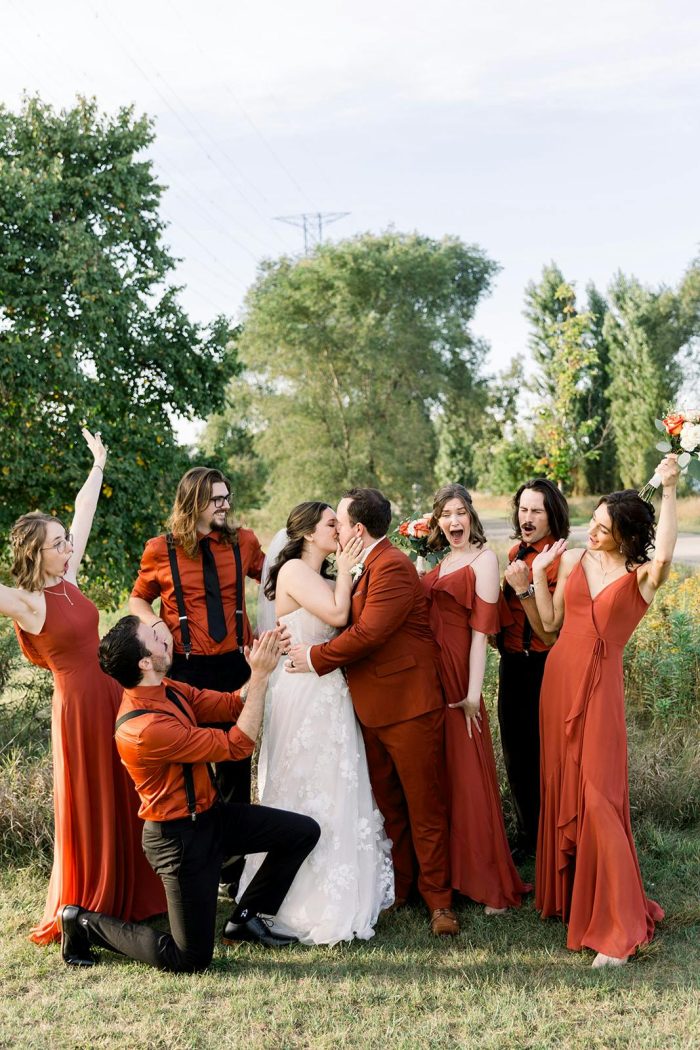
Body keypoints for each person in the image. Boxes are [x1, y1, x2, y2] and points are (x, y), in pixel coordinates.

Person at [57, 618, 320, 971]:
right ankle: (82, 922)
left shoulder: (169, 689)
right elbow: (237, 746)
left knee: (303, 832)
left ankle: (245, 918)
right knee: (191, 958)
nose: (165, 638)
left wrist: (263, 658)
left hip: (213, 818)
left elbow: (231, 705)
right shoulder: (145, 729)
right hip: (178, 840)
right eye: (155, 638)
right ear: (144, 663)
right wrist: (259, 676)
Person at [0, 429, 165, 945]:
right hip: (77, 706)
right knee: (91, 795)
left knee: (123, 789)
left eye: (65, 541)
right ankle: (91, 901)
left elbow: (83, 514)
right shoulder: (28, 602)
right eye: (58, 543)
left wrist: (97, 466)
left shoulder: (67, 578)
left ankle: (135, 892)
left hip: (112, 695)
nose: (68, 546)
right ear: (36, 553)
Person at [287, 488, 457, 936]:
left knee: (425, 808)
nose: (336, 530)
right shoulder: (363, 566)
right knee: (390, 808)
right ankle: (400, 890)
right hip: (369, 709)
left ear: (358, 530)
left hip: (409, 707)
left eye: (339, 524)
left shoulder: (394, 568)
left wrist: (315, 657)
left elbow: (368, 635)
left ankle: (440, 903)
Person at [532, 455, 680, 967]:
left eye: (603, 528)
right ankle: (573, 898)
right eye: (592, 523)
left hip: (601, 693)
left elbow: (664, 555)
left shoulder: (641, 576)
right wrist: (532, 577)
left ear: (625, 535)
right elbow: (548, 626)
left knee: (598, 798)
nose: (592, 532)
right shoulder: (574, 561)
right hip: (558, 681)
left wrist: (670, 490)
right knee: (564, 785)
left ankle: (618, 925)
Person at [238, 502, 395, 944]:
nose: (339, 530)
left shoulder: (322, 577)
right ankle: (290, 898)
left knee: (336, 785)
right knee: (302, 784)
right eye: (331, 524)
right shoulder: (292, 571)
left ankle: (340, 885)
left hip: (329, 690)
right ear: (308, 533)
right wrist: (346, 569)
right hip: (303, 693)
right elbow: (338, 616)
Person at [129, 466, 265, 895]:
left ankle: (233, 871)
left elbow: (276, 580)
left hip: (232, 665)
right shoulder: (160, 550)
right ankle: (194, 860)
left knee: (234, 768)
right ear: (193, 503)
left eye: (228, 497)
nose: (226, 505)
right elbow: (137, 598)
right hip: (185, 670)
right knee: (190, 768)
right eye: (217, 499)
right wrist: (155, 624)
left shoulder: (244, 543)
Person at [421, 484, 530, 913]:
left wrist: (472, 695)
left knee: (467, 775)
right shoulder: (442, 560)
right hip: (430, 677)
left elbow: (481, 633)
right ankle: (452, 875)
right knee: (441, 775)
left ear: (472, 517)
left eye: (460, 511)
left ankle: (487, 880)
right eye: (446, 513)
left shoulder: (484, 559)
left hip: (459, 677)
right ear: (438, 521)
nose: (454, 520)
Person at [498, 478, 570, 857]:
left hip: (544, 666)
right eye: (523, 509)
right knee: (515, 751)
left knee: (545, 753)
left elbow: (550, 632)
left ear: (551, 514)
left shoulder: (563, 560)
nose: (527, 518)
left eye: (535, 511)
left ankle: (552, 836)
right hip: (511, 666)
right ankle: (528, 834)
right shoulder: (514, 552)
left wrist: (525, 587)